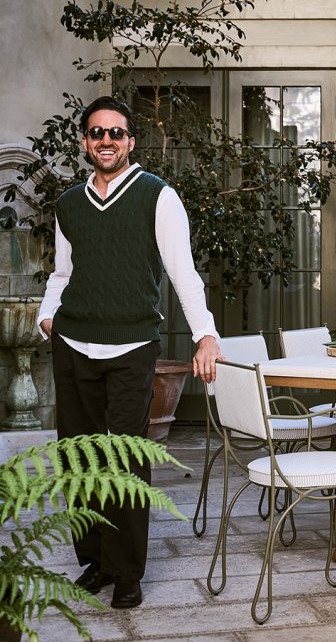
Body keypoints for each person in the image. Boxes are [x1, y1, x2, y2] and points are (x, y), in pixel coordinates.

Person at [38, 95, 222, 610]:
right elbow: (62, 273)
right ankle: (95, 561)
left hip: (131, 347)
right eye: (97, 133)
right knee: (79, 458)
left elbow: (183, 273)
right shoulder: (69, 203)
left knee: (124, 460)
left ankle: (126, 572)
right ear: (85, 142)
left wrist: (205, 335)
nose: (106, 141)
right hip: (73, 344)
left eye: (115, 133)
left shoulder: (157, 197)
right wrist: (47, 318)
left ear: (130, 142)